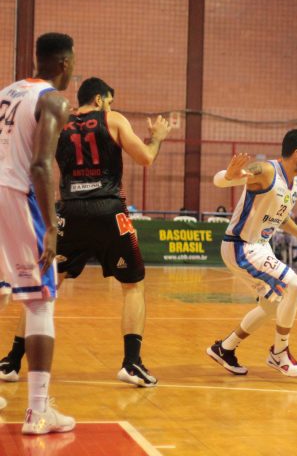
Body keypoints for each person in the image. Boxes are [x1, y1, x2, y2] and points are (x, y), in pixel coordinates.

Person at [0, 77, 172, 389]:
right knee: (133, 285)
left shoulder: (58, 121)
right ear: (98, 99)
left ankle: (11, 361)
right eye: (109, 100)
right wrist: (157, 138)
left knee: (45, 289)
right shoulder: (113, 119)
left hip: (70, 212)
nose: (111, 106)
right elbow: (146, 157)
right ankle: (131, 363)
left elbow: (37, 163)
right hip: (108, 211)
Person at [206, 130, 297, 378]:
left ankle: (225, 348)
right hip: (241, 246)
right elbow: (222, 180)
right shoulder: (265, 171)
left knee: (272, 305)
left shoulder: (296, 182)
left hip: (261, 246)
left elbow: (281, 217)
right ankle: (279, 354)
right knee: (294, 285)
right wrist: (227, 175)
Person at [0, 33, 76, 433]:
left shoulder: (7, 92)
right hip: (16, 195)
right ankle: (38, 411)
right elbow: (41, 165)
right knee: (40, 302)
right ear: (65, 63)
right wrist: (49, 227)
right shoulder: (54, 102)